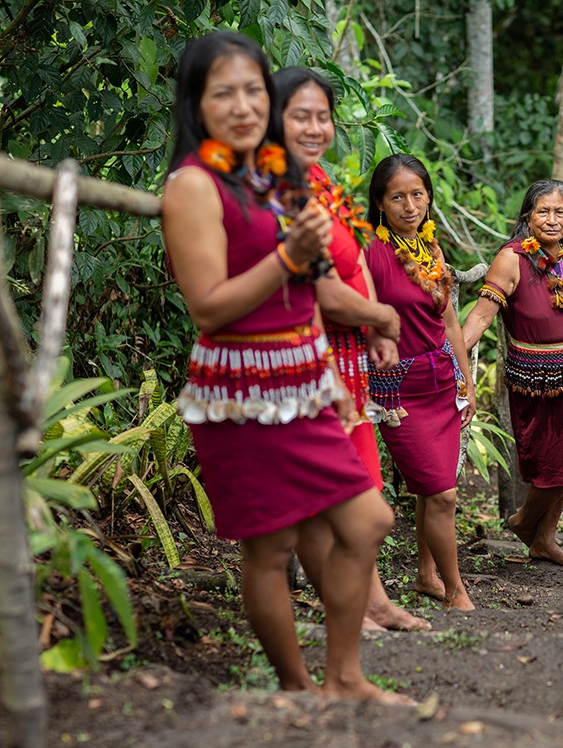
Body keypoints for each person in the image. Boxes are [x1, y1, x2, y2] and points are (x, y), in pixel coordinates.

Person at [161, 31, 408, 703]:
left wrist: (373, 316)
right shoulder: (192, 186)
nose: (242, 106)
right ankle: (301, 687)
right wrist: (287, 259)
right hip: (241, 389)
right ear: (196, 104)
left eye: (252, 91)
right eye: (223, 93)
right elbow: (209, 308)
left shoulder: (275, 177)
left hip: (305, 379)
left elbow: (318, 283)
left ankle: (344, 678)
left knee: (366, 522)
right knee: (269, 549)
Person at [271, 67, 430, 632]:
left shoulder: (318, 181)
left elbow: (355, 261)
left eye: (323, 116)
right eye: (300, 116)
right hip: (309, 351)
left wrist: (374, 330)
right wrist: (381, 316)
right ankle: (346, 607)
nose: (315, 127)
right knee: (331, 488)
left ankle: (375, 600)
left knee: (362, 481)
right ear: (271, 117)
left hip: (350, 352)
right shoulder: (279, 189)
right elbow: (316, 284)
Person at [461, 180, 563, 569]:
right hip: (538, 382)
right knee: (553, 467)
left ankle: (543, 540)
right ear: (528, 217)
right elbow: (481, 315)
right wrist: (455, 354)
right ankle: (523, 521)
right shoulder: (512, 258)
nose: (553, 219)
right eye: (544, 211)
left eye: (561, 212)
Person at [363, 153, 476, 610]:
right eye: (397, 197)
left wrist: (466, 382)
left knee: (435, 491)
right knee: (442, 493)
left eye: (417, 194)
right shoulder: (369, 251)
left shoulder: (430, 249)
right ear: (380, 203)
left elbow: (449, 320)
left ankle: (427, 576)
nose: (410, 206)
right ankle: (456, 592)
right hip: (398, 391)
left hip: (441, 383)